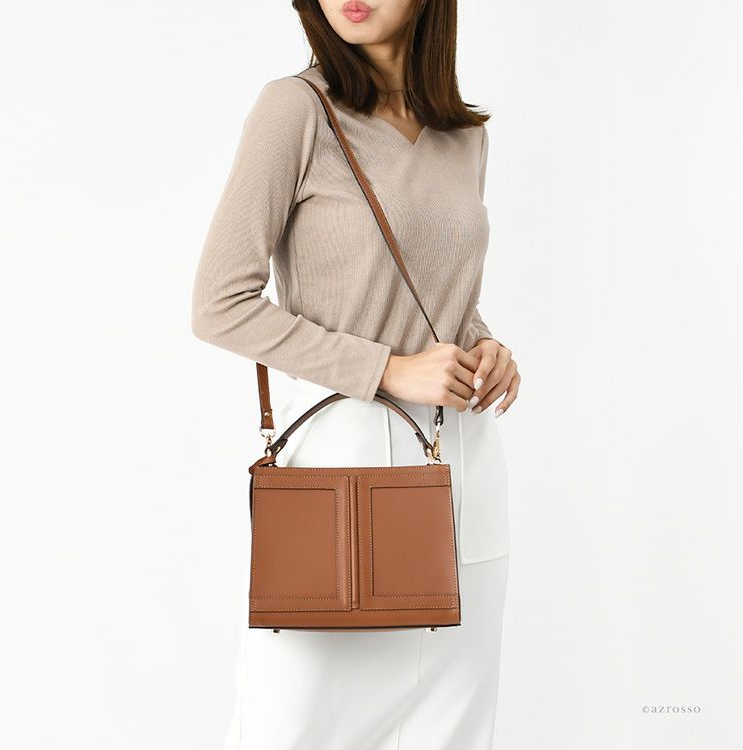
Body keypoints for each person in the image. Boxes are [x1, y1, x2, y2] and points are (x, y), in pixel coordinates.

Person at [191, 1, 521, 747]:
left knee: (452, 733)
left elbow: (445, 299)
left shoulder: (465, 137)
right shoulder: (296, 110)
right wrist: (388, 370)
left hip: (462, 469)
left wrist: (486, 346)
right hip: (340, 470)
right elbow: (219, 305)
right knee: (291, 729)